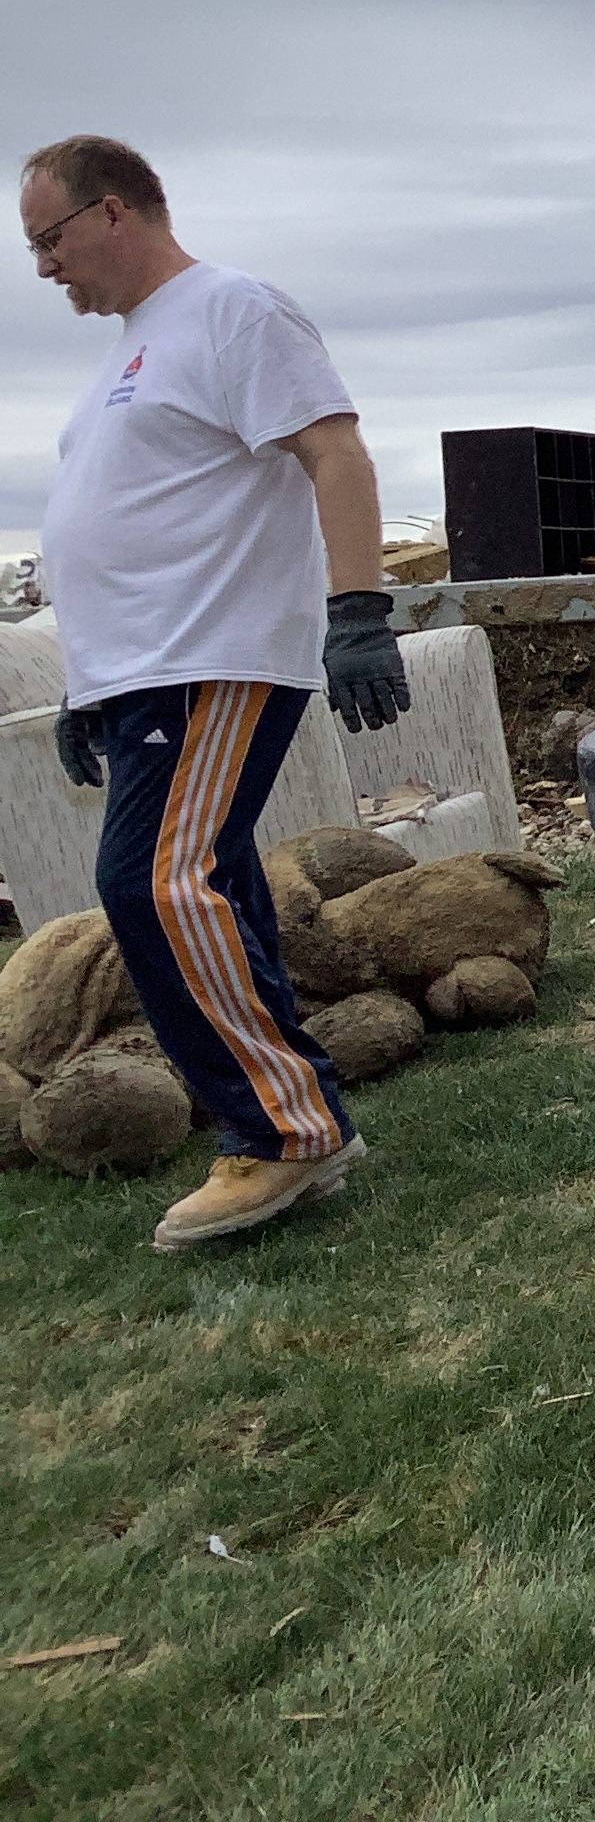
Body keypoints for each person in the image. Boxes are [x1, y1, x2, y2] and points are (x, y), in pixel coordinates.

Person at [22, 134, 410, 1251]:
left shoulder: (235, 311)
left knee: (158, 884)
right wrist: (87, 687)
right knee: (218, 891)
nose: (44, 268)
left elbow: (335, 453)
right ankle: (296, 1116)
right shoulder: (129, 354)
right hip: (145, 673)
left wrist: (359, 611)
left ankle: (284, 1134)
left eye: (48, 240)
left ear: (110, 213)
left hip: (217, 657)